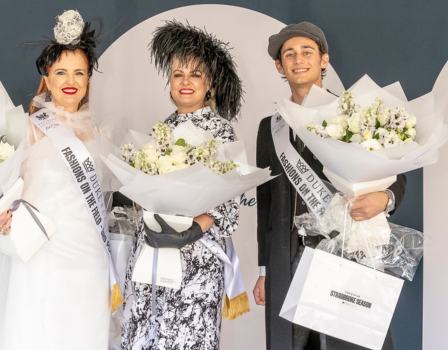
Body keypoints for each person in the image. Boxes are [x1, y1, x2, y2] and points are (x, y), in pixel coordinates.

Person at [0, 10, 117, 349]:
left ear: (88, 80)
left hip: (91, 265)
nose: (71, 79)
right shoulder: (26, 130)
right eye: (61, 72)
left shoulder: (100, 134)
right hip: (41, 257)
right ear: (48, 78)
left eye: (79, 72)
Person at [253, 22, 407, 350]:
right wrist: (265, 268)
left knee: (347, 343)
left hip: (343, 252)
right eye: (289, 54)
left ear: (324, 59)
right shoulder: (270, 128)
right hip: (287, 256)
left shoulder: (355, 113)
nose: (298, 59)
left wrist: (384, 198)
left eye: (307, 51)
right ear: (280, 65)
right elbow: (264, 201)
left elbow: (397, 176)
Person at [120, 20, 243, 350]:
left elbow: (230, 203)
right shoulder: (161, 129)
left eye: (195, 74)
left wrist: (192, 229)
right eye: (178, 74)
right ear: (169, 83)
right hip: (152, 250)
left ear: (209, 84)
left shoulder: (223, 133)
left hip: (197, 258)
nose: (185, 82)